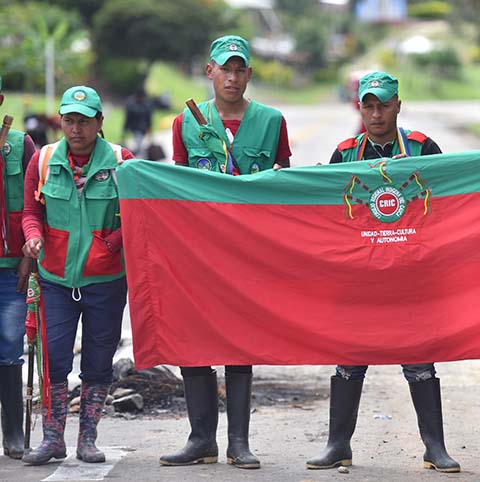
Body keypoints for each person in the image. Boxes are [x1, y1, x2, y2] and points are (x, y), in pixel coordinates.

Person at [306, 71, 460, 473]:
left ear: (398, 105)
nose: (376, 113)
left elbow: (449, 202)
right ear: (360, 107)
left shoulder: (424, 147)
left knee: (420, 359)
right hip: (360, 276)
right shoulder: (344, 152)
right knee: (349, 358)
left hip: (412, 275)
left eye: (384, 104)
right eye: (369, 105)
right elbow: (328, 214)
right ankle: (337, 444)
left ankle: (434, 447)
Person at [160, 34, 291, 469]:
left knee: (240, 342)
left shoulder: (272, 122)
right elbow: (177, 186)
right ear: (209, 71)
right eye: (225, 69)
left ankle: (239, 442)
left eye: (240, 70)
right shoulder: (187, 123)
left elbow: (287, 187)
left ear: (250, 74)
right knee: (193, 340)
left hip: (248, 254)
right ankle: (201, 439)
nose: (232, 77)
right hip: (198, 252)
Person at [20, 85, 134, 465]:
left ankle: (88, 438)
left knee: (99, 361)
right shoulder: (43, 159)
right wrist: (33, 238)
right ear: (61, 122)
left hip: (106, 281)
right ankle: (52, 438)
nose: (76, 129)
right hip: (54, 278)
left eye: (84, 121)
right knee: (52, 356)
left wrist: (110, 242)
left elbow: (139, 213)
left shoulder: (122, 161)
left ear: (100, 122)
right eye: (69, 120)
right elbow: (30, 212)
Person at [0, 75, 36, 460]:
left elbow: (33, 203)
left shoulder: (19, 144)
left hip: (11, 268)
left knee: (9, 347)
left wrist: (29, 253)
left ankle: (11, 432)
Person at [122, 88, 153, 158]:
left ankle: (139, 157)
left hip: (141, 128)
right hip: (135, 127)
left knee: (139, 144)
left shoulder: (145, 104)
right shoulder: (133, 104)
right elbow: (128, 117)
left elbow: (149, 117)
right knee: (138, 144)